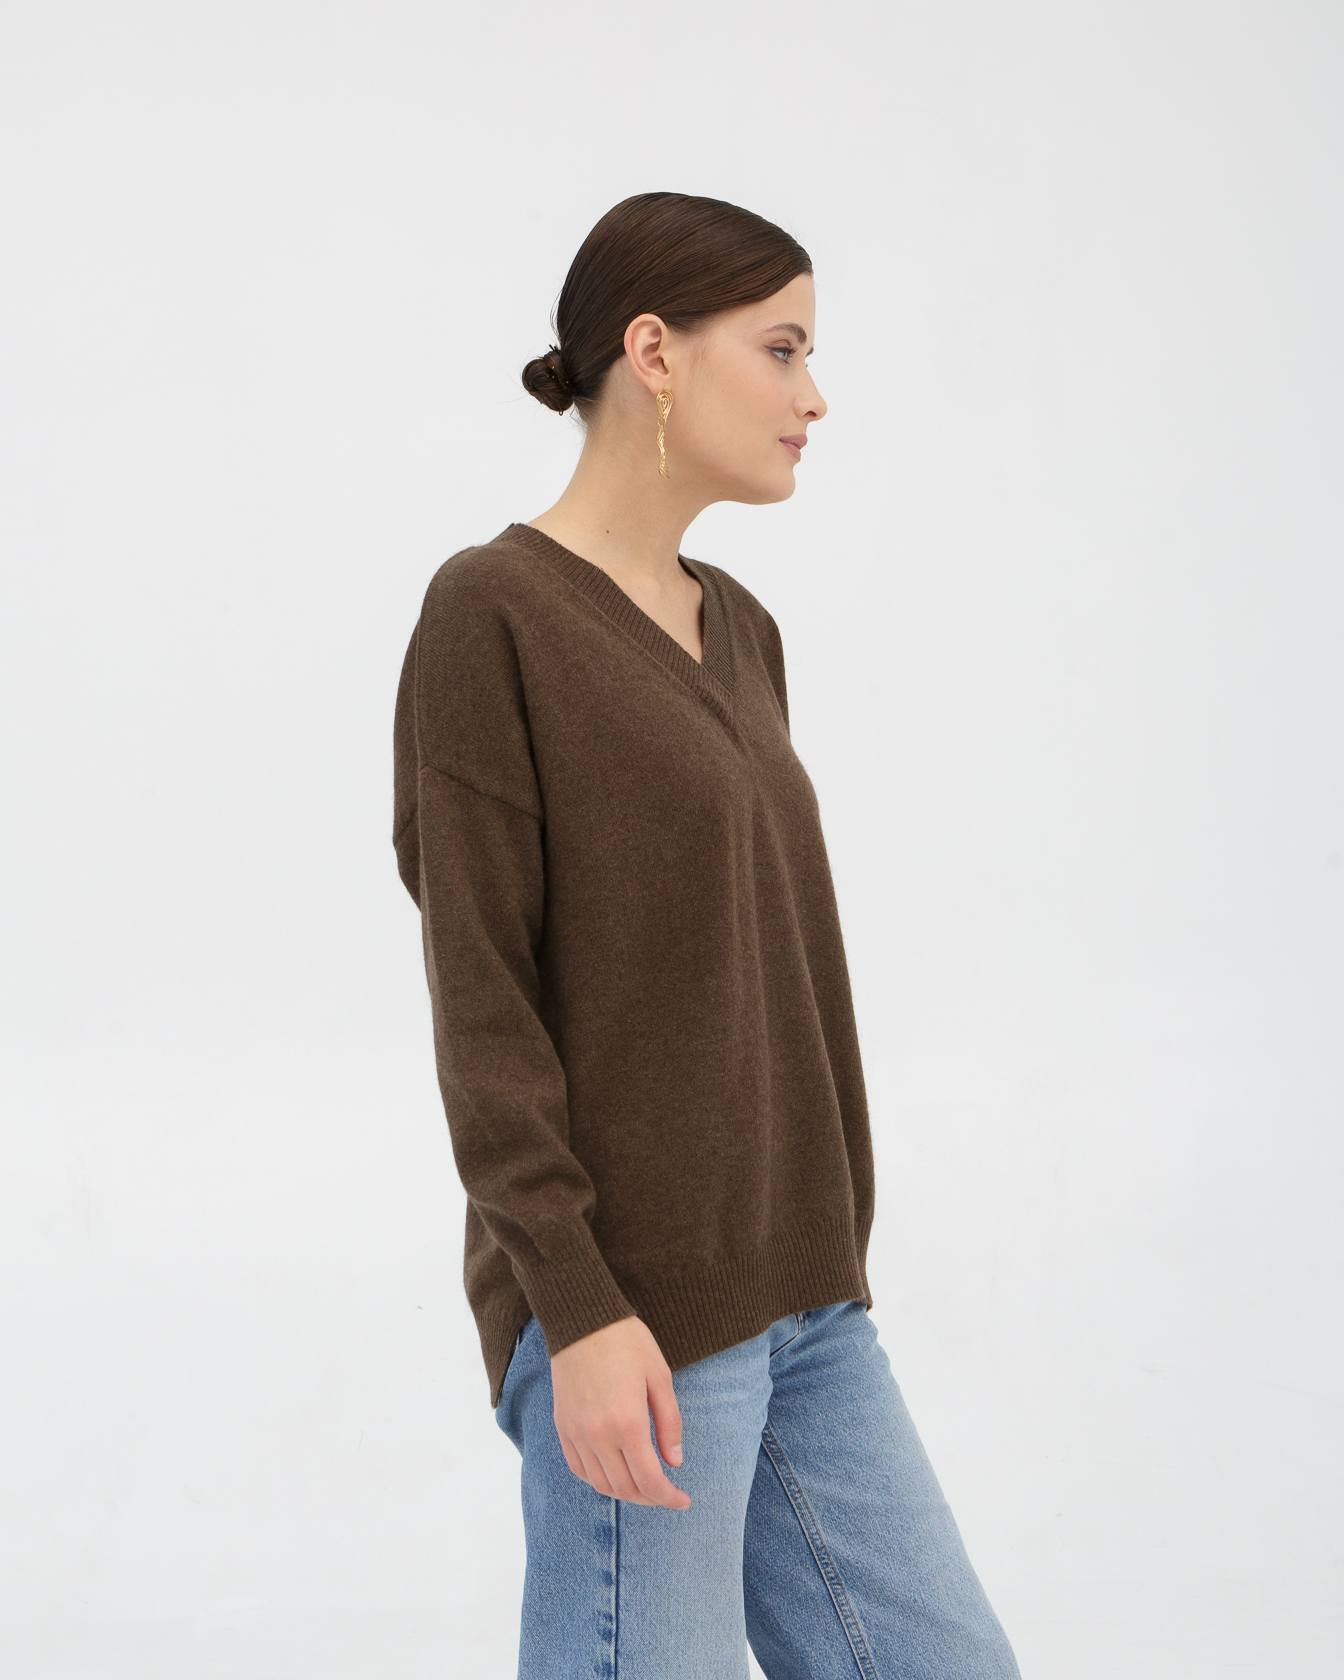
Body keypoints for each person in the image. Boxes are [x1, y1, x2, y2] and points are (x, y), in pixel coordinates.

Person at [392, 191, 1021, 1680]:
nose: (815, 396)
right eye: (783, 350)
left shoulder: (738, 626)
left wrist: (833, 1249)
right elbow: (482, 1000)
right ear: (656, 352)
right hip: (636, 1308)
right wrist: (577, 1306)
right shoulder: (491, 614)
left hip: (807, 1295)